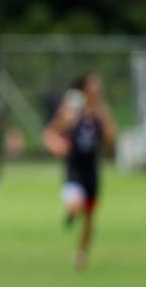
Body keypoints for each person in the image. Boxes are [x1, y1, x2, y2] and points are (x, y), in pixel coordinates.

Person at [42, 73, 116, 270]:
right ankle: (71, 212)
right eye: (93, 86)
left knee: (90, 218)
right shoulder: (72, 109)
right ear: (84, 89)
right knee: (76, 204)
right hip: (74, 168)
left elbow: (111, 140)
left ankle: (81, 254)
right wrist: (58, 145)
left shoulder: (101, 112)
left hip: (92, 170)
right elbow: (50, 133)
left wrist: (106, 121)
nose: (97, 90)